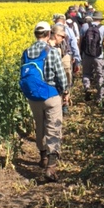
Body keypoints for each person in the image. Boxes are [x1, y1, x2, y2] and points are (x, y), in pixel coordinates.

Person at [21, 21, 69, 181]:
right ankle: (51, 167)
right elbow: (61, 75)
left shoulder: (26, 52)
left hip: (33, 97)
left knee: (40, 126)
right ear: (49, 34)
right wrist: (65, 92)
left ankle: (43, 157)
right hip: (51, 95)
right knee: (53, 128)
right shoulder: (52, 51)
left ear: (35, 34)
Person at [52, 14, 81, 113]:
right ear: (64, 21)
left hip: (53, 57)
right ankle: (65, 103)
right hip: (66, 57)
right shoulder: (68, 29)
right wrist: (77, 59)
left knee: (55, 79)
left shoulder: (52, 30)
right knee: (67, 80)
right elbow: (74, 44)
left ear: (55, 20)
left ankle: (58, 102)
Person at [81, 11, 104, 104]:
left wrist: (82, 53)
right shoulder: (103, 28)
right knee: (100, 76)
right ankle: (100, 98)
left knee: (86, 73)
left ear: (93, 18)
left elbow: (80, 42)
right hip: (99, 56)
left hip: (86, 55)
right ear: (101, 19)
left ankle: (87, 88)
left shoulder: (85, 26)